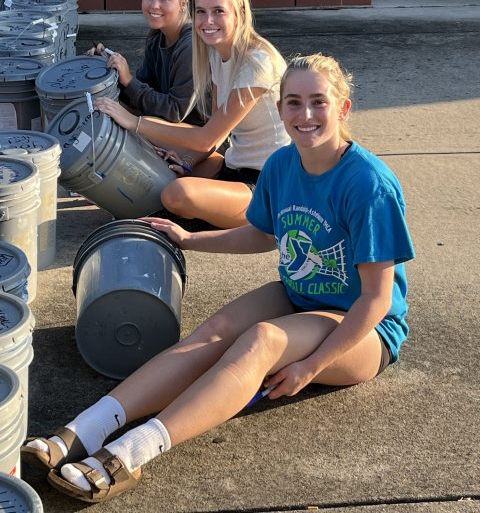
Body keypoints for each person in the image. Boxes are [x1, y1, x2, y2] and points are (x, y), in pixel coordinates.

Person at [22, 53, 415, 503]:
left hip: (365, 330)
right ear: (280, 108)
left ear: (342, 108)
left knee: (262, 340)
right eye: (293, 102)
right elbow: (263, 234)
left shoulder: (368, 185)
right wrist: (190, 239)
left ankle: (130, 453)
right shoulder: (282, 166)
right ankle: (84, 429)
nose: (305, 114)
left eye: (318, 102)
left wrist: (311, 365)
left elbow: (376, 300)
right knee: (213, 332)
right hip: (301, 296)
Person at [94, 0, 290, 228]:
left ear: (240, 13)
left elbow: (206, 137)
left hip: (266, 183)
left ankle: (239, 220)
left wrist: (135, 122)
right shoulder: (217, 53)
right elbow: (218, 138)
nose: (208, 20)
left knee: (175, 194)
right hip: (232, 166)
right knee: (161, 173)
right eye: (201, 11)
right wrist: (186, 163)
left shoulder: (257, 61)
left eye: (218, 11)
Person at [88, 0, 204, 126]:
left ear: (183, 3)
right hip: (163, 126)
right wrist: (111, 70)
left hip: (193, 132)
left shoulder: (190, 46)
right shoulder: (157, 37)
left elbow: (175, 111)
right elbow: (139, 95)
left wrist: (129, 80)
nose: (154, 5)